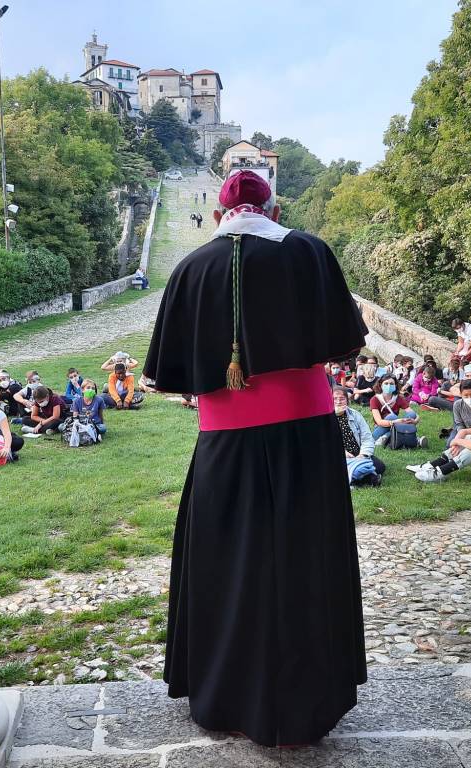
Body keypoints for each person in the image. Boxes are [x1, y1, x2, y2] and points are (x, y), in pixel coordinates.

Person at [143, 170, 369, 746]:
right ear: (273, 206)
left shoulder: (193, 269)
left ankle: (225, 693)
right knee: (304, 557)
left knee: (229, 561)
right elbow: (345, 341)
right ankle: (307, 699)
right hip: (306, 438)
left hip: (226, 441)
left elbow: (168, 375)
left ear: (219, 216)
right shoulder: (309, 251)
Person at [333, 387, 385, 486]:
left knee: (379, 466)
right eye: (335, 399)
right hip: (339, 455)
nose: (338, 402)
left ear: (347, 401)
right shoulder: (326, 418)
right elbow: (325, 443)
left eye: (342, 398)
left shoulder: (356, 415)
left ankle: (355, 478)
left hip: (358, 454)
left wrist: (363, 454)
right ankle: (366, 479)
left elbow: (367, 438)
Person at [369, 376, 427, 449]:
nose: (389, 386)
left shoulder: (398, 398)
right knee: (392, 416)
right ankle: (415, 440)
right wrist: (394, 422)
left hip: (395, 427)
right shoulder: (374, 399)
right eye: (386, 383)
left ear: (395, 385)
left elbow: (414, 414)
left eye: (391, 384)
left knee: (411, 414)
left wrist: (415, 421)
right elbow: (379, 421)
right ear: (381, 385)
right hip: (380, 428)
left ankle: (387, 438)